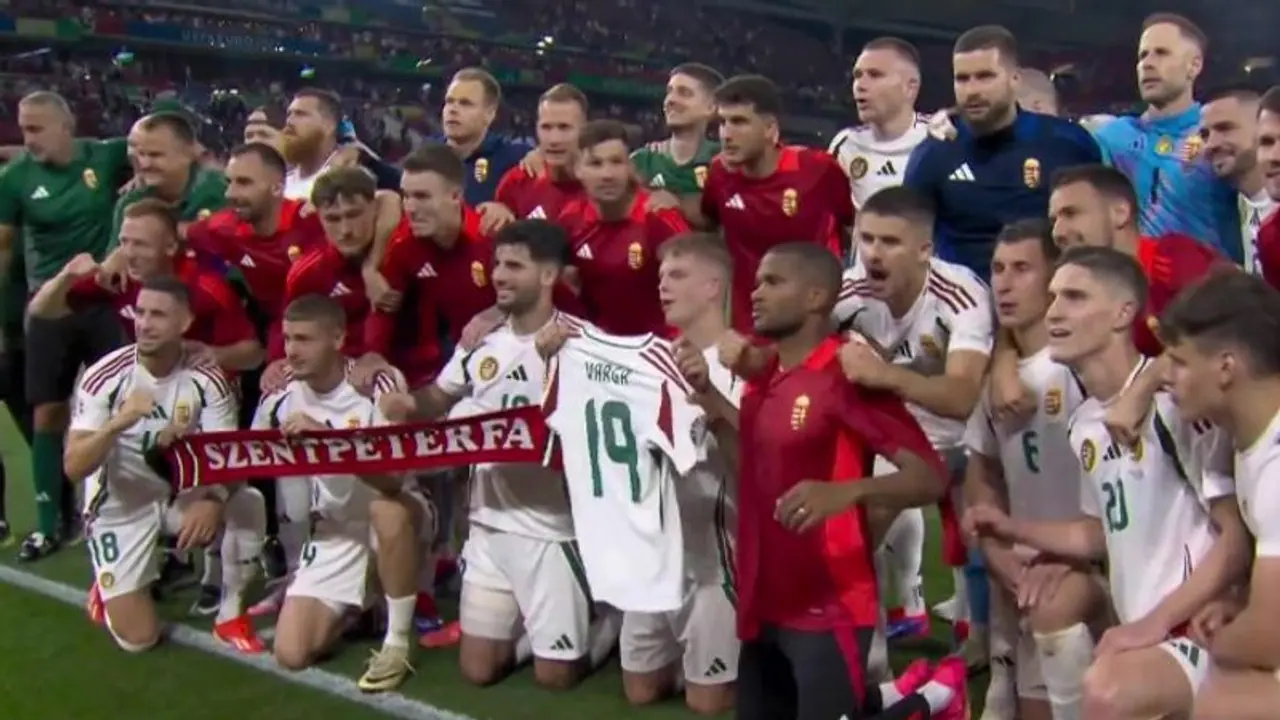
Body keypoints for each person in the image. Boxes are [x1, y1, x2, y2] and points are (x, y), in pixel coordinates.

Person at [967, 246, 1249, 720]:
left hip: (1194, 625)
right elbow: (1097, 532)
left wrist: (1155, 624)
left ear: (1123, 313)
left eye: (1075, 297)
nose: (1054, 312)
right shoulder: (1084, 424)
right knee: (1053, 603)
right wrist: (1011, 528)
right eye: (1053, 298)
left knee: (1107, 693)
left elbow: (1236, 536)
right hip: (1138, 623)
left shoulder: (1174, 403)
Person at [381, 218, 618, 688]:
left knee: (557, 679)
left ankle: (612, 619)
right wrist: (409, 404)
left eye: (514, 266)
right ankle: (541, 628)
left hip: (551, 527)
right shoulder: (481, 341)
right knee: (478, 670)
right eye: (497, 265)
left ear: (548, 275)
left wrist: (560, 367)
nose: (499, 276)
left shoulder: (582, 343)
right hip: (487, 524)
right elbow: (439, 397)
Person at [732, 242, 965, 720]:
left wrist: (849, 491)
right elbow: (750, 466)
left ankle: (933, 703)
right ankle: (914, 695)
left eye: (773, 282)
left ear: (816, 297)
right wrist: (710, 401)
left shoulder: (846, 375)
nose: (756, 293)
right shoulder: (765, 374)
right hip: (765, 596)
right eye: (756, 282)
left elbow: (930, 477)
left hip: (830, 604)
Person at [64, 276, 266, 654]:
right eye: (140, 313)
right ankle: (110, 585)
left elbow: (227, 457)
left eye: (157, 315)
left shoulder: (208, 379)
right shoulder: (105, 377)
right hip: (120, 506)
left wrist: (213, 499)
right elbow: (74, 467)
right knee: (139, 640)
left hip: (179, 494)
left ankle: (230, 615)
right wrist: (118, 423)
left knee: (248, 502)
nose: (144, 324)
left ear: (184, 323)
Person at [833, 186, 992, 666]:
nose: (873, 254)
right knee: (860, 525)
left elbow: (961, 398)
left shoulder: (959, 294)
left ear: (925, 250)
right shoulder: (848, 293)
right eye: (867, 239)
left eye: (890, 242)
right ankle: (872, 651)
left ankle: (986, 642)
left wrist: (884, 375)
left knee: (984, 538)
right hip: (902, 439)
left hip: (973, 437)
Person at [962, 219, 1105, 720]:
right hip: (1026, 575)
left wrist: (1076, 552)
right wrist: (995, 548)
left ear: (1054, 279)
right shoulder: (996, 378)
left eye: (1022, 268)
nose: (1004, 283)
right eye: (998, 269)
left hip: (1094, 568)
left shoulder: (1082, 366)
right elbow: (982, 468)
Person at [267, 294, 430, 693]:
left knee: (386, 511)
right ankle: (365, 607)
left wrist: (329, 441)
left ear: (338, 339)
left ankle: (396, 642)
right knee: (291, 652)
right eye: (287, 339)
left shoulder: (377, 383)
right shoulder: (282, 391)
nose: (291, 350)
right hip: (336, 529)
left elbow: (393, 479)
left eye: (304, 339)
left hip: (398, 514)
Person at [0, 90, 132, 560]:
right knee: (48, 414)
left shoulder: (108, 156)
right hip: (50, 307)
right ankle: (50, 522)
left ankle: (121, 512)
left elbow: (166, 151)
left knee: (118, 409)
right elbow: (3, 250)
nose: (28, 138)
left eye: (36, 128)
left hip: (105, 304)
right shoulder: (16, 179)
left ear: (66, 125)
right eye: (23, 129)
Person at [618, 232, 739, 715]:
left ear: (713, 287)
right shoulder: (648, 363)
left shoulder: (742, 363)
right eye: (661, 276)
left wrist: (713, 402)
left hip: (715, 563)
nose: (663, 285)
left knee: (708, 704)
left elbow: (758, 459)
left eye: (678, 275)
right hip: (654, 560)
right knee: (641, 692)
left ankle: (759, 650)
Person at [1153, 272, 1280, 720]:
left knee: (1220, 703)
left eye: (1179, 362)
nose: (1165, 376)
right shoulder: (1250, 441)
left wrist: (1220, 643)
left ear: (1226, 368)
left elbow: (1269, 636)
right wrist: (1240, 607)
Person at [904, 24, 1101, 279]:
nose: (972, 90)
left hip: (1051, 295)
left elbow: (1095, 229)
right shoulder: (933, 154)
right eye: (962, 79)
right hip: (963, 298)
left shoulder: (1068, 144)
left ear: (1015, 79)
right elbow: (908, 241)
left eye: (985, 76)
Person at [28, 198, 261, 372]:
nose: (129, 254)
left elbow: (254, 353)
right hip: (147, 381)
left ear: (170, 247)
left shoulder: (205, 287)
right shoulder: (117, 278)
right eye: (124, 242)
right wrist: (67, 276)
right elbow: (41, 311)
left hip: (205, 388)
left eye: (140, 244)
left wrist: (213, 355)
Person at [698, 75, 855, 330]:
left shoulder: (817, 169)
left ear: (770, 129)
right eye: (723, 122)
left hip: (810, 327)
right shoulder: (719, 173)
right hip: (747, 328)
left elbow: (851, 226)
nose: (726, 134)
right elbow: (708, 225)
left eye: (739, 122)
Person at [1091, 13, 1243, 262]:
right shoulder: (1112, 137)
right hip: (1136, 281)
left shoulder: (1217, 133)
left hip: (1212, 282)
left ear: (1194, 65)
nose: (1147, 64)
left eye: (1161, 53)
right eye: (1143, 55)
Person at [558, 119, 690, 335]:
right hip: (596, 345)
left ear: (629, 167)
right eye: (595, 164)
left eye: (616, 162)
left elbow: (694, 286)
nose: (607, 174)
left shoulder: (658, 216)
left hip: (659, 345)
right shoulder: (570, 218)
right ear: (577, 169)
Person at [828, 37, 928, 210]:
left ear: (910, 87)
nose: (860, 85)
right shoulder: (846, 144)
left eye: (875, 75)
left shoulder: (938, 138)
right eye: (857, 75)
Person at [633, 63, 724, 225]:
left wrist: (678, 203)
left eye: (684, 93)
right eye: (669, 91)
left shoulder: (725, 162)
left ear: (711, 107)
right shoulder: (642, 160)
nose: (671, 100)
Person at [113, 112, 228, 240]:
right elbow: (121, 250)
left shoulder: (218, 191)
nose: (144, 164)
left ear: (188, 154)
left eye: (155, 155)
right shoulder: (132, 201)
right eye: (141, 154)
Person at [1199, 86, 1274, 274]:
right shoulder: (1236, 206)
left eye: (1225, 128)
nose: (1211, 144)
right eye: (1205, 135)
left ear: (1261, 129)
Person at [281, 88, 399, 199]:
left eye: (300, 114)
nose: (289, 121)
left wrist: (365, 157)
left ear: (329, 126)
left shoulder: (351, 174)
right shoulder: (281, 181)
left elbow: (400, 184)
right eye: (289, 114)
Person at [494, 84, 588, 221]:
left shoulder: (603, 186)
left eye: (564, 128)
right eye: (546, 127)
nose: (554, 139)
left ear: (585, 130)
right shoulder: (517, 182)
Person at [438, 67, 530, 206]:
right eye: (449, 101)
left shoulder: (515, 159)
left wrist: (509, 211)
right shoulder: (426, 157)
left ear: (489, 114)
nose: (453, 109)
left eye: (465, 103)